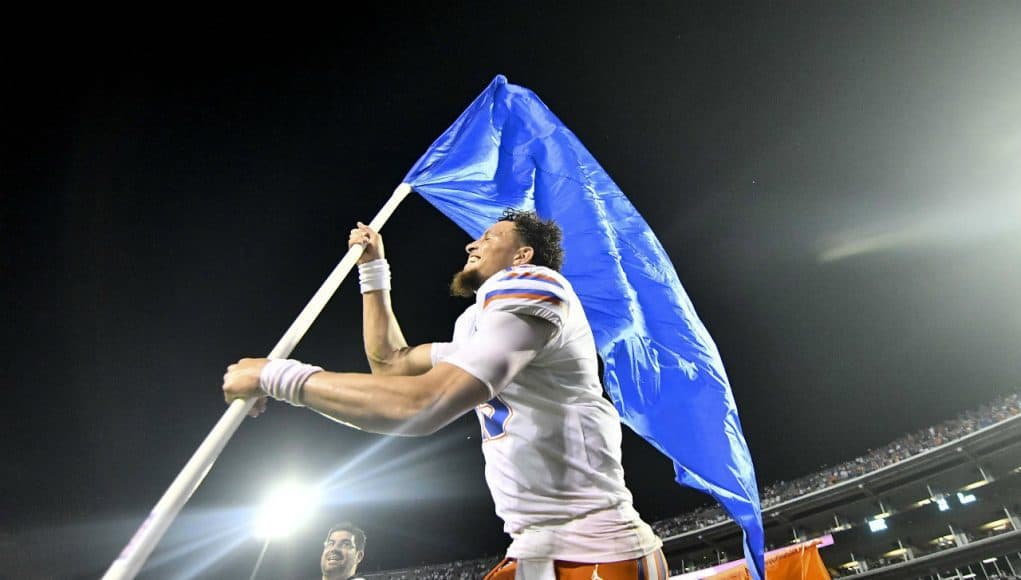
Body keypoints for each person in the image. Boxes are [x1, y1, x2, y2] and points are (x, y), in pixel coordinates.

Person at [223, 209, 668, 579]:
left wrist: (277, 377)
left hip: (598, 552)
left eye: (489, 237)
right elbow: (391, 362)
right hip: (534, 550)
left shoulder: (532, 284)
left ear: (523, 255)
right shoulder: (476, 323)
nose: (471, 245)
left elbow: (422, 405)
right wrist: (373, 270)